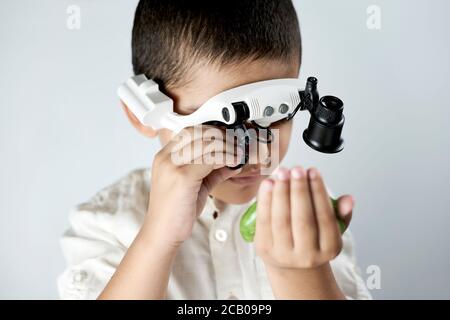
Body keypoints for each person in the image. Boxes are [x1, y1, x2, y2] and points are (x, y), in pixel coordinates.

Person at [58, 0, 371, 300]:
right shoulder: (105, 224)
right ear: (142, 110)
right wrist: (156, 240)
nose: (260, 156)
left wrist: (303, 273)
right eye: (220, 126)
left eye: (277, 116)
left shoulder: (305, 213)